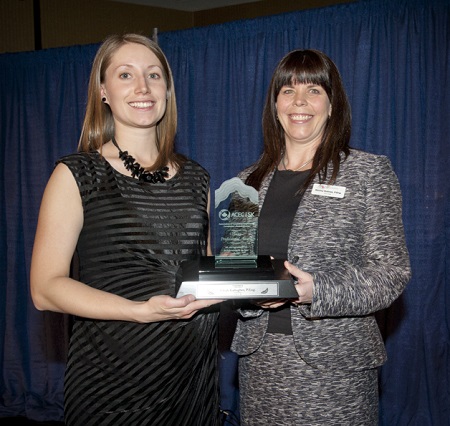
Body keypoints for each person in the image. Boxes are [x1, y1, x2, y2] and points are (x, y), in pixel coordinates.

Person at [30, 33, 222, 425]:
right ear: (103, 91)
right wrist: (138, 312)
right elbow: (45, 289)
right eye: (124, 75)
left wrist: (257, 281)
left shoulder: (198, 178)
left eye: (153, 75)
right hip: (114, 380)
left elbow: (202, 272)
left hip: (193, 380)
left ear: (167, 89)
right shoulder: (76, 174)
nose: (142, 87)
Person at [230, 49, 411, 425]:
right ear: (274, 104)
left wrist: (317, 290)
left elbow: (392, 273)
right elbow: (238, 268)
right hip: (260, 365)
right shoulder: (244, 183)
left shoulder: (367, 173)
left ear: (332, 104)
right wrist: (245, 295)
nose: (299, 102)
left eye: (313, 90)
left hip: (335, 371)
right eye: (287, 91)